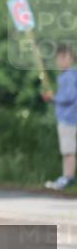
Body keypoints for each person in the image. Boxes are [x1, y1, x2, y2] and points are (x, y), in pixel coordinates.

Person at [42, 44, 76, 191]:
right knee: (67, 150)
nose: (60, 61)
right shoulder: (68, 76)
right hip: (69, 118)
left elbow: (70, 96)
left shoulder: (68, 76)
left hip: (69, 119)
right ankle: (66, 177)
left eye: (63, 58)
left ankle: (67, 178)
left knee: (68, 150)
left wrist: (53, 97)